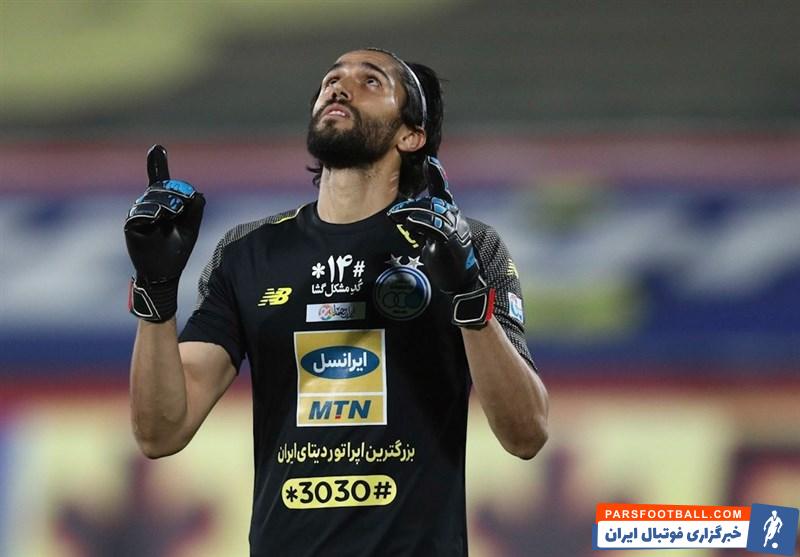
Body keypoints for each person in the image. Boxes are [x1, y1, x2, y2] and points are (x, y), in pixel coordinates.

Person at [124, 48, 548, 557]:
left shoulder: (465, 247)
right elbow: (160, 432)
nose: (339, 87)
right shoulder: (247, 253)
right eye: (331, 79)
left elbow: (527, 435)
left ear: (411, 135)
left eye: (371, 81)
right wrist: (155, 293)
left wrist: (470, 301)